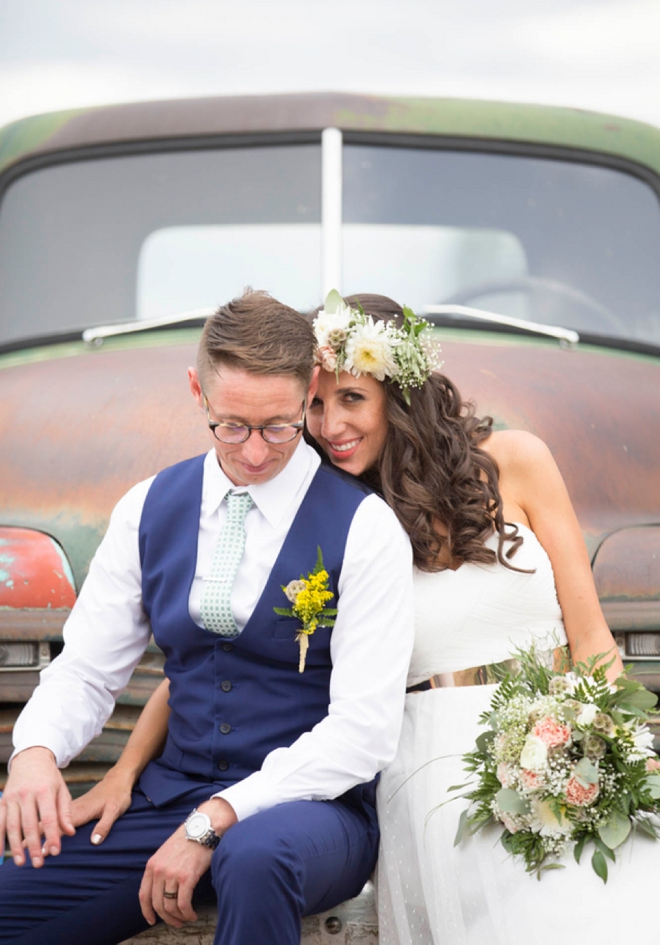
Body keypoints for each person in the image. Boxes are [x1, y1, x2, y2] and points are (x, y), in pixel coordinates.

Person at [63, 291, 653, 944]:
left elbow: (592, 640)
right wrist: (125, 770)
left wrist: (613, 749)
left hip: (561, 737)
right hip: (428, 766)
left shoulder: (518, 460)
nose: (329, 423)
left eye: (352, 399)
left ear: (398, 396)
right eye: (315, 404)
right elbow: (215, 659)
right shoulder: (336, 520)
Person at [0, 291, 415, 945]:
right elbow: (87, 670)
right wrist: (36, 752)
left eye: (279, 425)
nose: (254, 453)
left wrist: (216, 819)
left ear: (310, 389)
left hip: (312, 814)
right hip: (170, 797)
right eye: (231, 426)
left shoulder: (366, 529)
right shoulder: (148, 507)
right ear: (198, 391)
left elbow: (362, 732)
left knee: (255, 859)